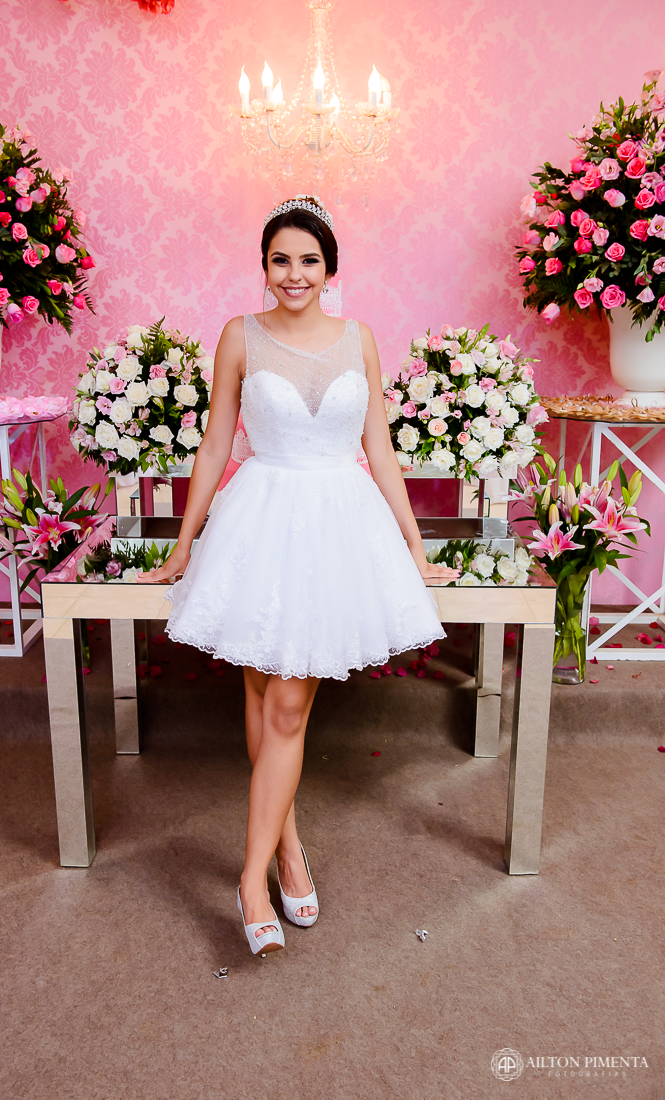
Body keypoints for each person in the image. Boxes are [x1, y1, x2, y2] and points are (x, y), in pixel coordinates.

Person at [138, 194, 459, 956]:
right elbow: (214, 446)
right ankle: (282, 856)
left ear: (330, 269)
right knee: (263, 694)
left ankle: (252, 876)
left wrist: (415, 548)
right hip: (260, 524)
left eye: (309, 260)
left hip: (339, 531)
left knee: (284, 704)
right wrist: (184, 545)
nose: (294, 273)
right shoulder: (238, 336)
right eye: (280, 259)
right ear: (263, 266)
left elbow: (379, 450)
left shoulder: (360, 339)